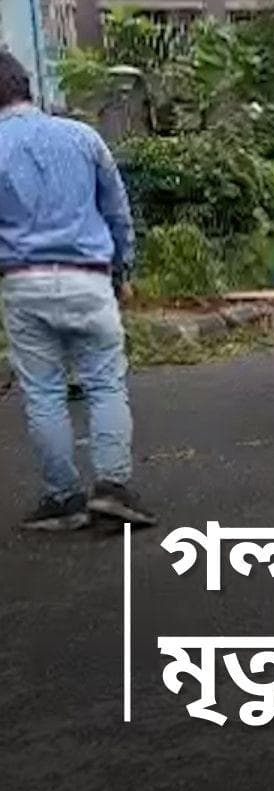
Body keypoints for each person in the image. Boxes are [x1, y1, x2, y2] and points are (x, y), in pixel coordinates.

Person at [0, 50, 156, 530]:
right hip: (88, 276)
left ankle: (63, 497)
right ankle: (112, 488)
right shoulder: (82, 136)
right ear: (27, 86)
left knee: (43, 393)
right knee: (104, 383)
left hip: (22, 281)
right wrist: (123, 269)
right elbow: (117, 211)